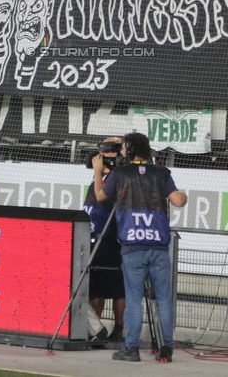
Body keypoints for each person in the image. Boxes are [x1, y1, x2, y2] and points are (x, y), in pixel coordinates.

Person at [93, 132, 187, 363]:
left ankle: (131, 349)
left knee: (134, 300)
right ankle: (166, 348)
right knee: (164, 300)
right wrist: (184, 194)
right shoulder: (161, 172)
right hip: (159, 247)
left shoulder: (120, 173)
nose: (121, 150)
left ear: (131, 148)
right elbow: (178, 201)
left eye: (124, 146)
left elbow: (99, 196)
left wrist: (97, 173)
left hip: (133, 247)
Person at [83, 137, 127, 348]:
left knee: (117, 287)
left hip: (109, 239)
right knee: (96, 288)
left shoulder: (117, 179)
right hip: (92, 239)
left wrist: (101, 172)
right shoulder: (96, 180)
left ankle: (118, 329)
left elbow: (104, 198)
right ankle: (96, 328)